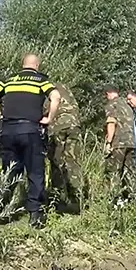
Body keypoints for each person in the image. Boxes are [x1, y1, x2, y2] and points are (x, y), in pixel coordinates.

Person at [0, 54, 60, 229]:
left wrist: (0, 115)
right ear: (37, 66)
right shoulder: (41, 81)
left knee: (10, 171)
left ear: (22, 65)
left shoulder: (10, 81)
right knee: (35, 172)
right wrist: (49, 119)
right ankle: (35, 215)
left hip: (8, 130)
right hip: (30, 130)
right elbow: (56, 97)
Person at [45, 82, 87, 213]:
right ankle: (77, 200)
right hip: (74, 126)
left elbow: (46, 111)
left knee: (57, 162)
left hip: (58, 127)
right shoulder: (66, 90)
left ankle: (58, 200)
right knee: (73, 163)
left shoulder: (47, 90)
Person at [103, 84, 136, 203]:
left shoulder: (111, 105)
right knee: (130, 172)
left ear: (107, 94)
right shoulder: (128, 104)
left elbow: (111, 123)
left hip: (118, 143)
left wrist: (108, 142)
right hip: (132, 142)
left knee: (114, 171)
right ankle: (133, 199)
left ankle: (114, 200)